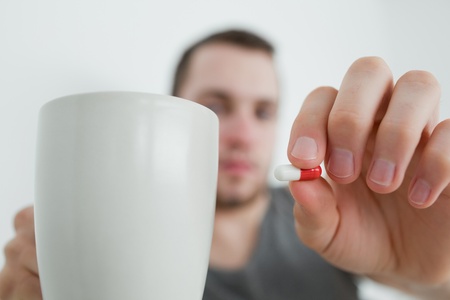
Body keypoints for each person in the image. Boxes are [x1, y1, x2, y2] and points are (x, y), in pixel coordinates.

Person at [1, 29, 449, 299]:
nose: (241, 134)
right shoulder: (94, 244)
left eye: (263, 112)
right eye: (216, 106)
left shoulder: (334, 215)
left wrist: (431, 266)